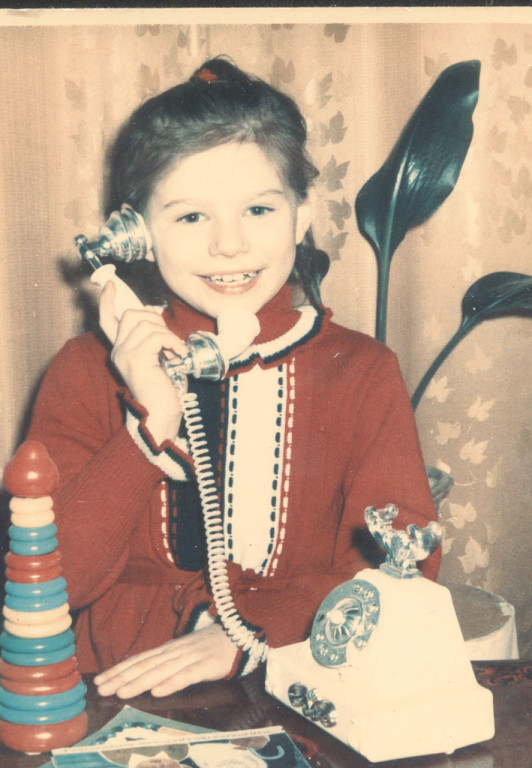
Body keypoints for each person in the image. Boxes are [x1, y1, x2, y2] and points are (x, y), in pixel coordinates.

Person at [26, 57, 440, 700]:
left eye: (258, 209)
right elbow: (47, 586)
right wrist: (148, 428)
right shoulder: (84, 371)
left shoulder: (361, 371)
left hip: (295, 680)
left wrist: (248, 631)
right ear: (137, 234)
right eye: (191, 217)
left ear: (300, 216)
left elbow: (403, 569)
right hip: (113, 689)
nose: (228, 245)